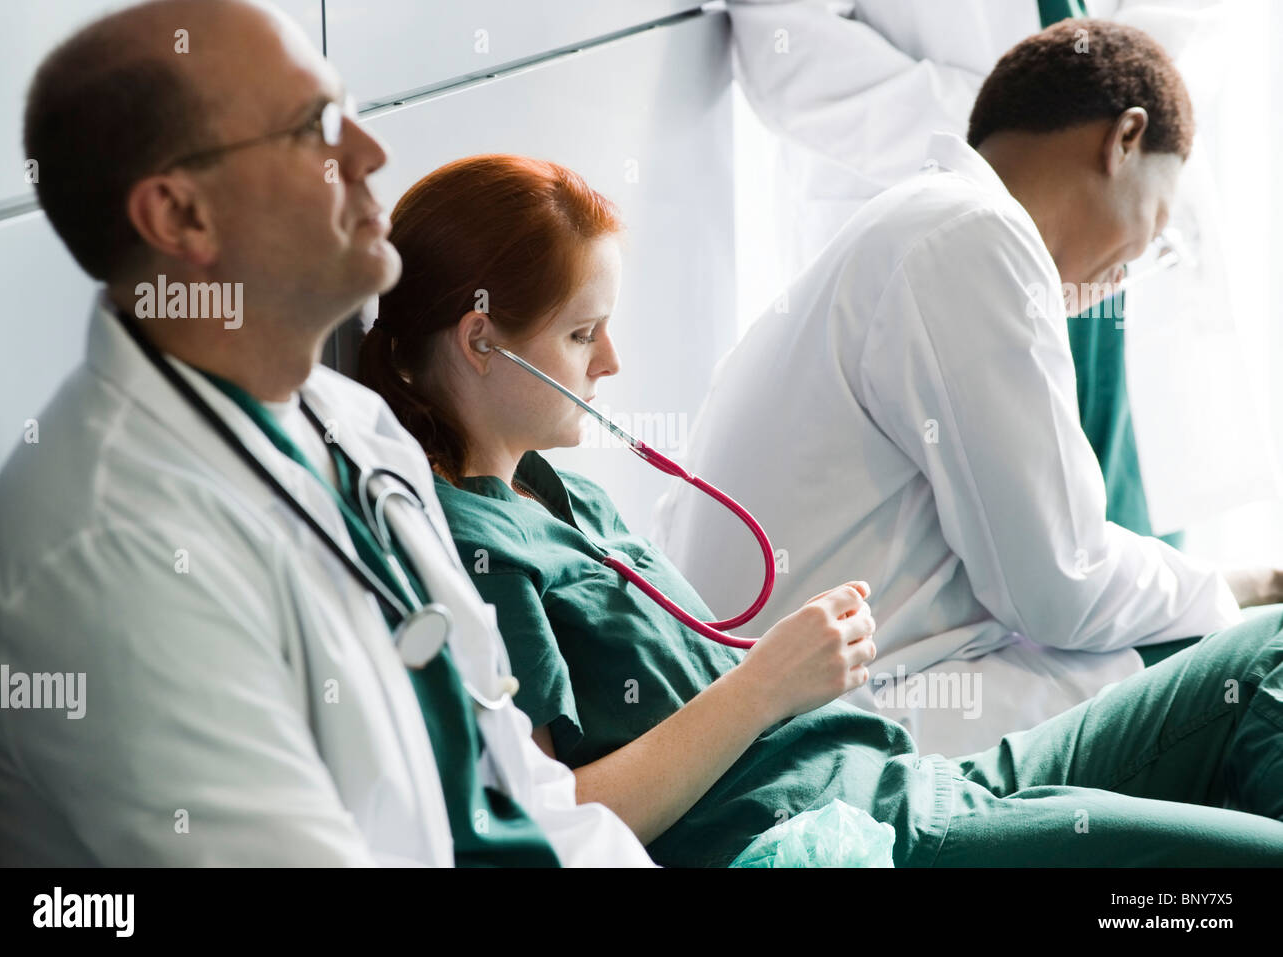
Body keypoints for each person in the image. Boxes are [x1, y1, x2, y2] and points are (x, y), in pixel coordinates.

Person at [357, 151, 1283, 868]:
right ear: (483, 341)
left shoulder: (563, 491)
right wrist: (767, 681)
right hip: (858, 837)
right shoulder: (475, 551)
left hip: (906, 777)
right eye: (582, 333)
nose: (612, 365)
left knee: (1266, 647)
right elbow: (557, 821)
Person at [0, 0, 652, 867]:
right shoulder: (110, 548)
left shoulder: (353, 426)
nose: (370, 153)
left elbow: (525, 793)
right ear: (181, 217)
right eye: (313, 128)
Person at [654, 18, 1283, 756]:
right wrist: (1247, 584)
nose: (1134, 269)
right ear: (1124, 140)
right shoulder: (976, 239)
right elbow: (1061, 588)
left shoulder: (921, 222)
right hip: (821, 731)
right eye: (1160, 222)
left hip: (762, 705)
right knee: (1230, 665)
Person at [726, 0, 1278, 546]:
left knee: (1122, 504)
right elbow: (784, 36)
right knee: (989, 533)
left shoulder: (1125, 221)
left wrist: (1095, 104)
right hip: (959, 214)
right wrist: (1036, 136)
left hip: (1108, 215)